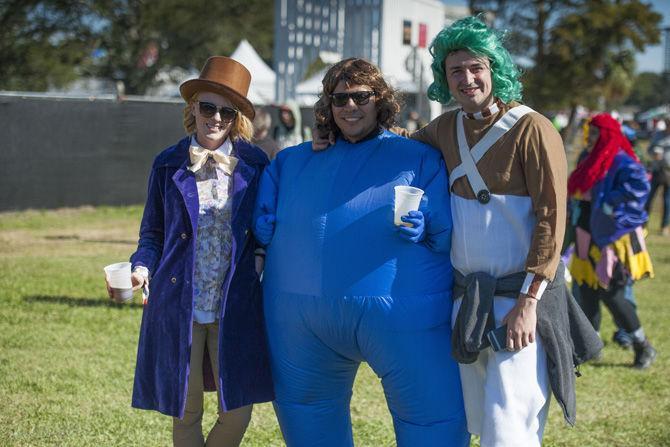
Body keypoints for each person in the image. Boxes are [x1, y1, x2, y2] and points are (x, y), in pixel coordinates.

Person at [386, 16, 602, 446]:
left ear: (494, 68)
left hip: (520, 303)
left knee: (510, 426)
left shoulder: (533, 128)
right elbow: (400, 142)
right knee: (478, 420)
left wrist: (528, 304)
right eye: (456, 71)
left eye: (476, 67)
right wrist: (340, 129)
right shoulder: (446, 128)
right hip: (466, 301)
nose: (467, 79)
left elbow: (552, 219)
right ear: (444, 79)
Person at [254, 57, 469, 447]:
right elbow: (261, 222)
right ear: (327, 106)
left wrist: (426, 223)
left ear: (380, 100)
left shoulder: (416, 156)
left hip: (399, 314)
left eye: (361, 97)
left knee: (431, 419)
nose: (349, 107)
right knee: (308, 414)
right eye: (339, 99)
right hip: (301, 322)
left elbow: (444, 230)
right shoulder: (291, 161)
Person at [106, 56, 274, 446]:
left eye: (226, 111)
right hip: (179, 302)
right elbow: (152, 233)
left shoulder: (255, 163)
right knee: (186, 411)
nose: (215, 118)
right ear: (193, 107)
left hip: (234, 305)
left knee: (238, 411)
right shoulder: (167, 163)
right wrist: (141, 269)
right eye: (208, 107)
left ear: (237, 119)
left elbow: (268, 226)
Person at [568, 112, 656, 369]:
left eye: (596, 133)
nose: (590, 137)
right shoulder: (590, 157)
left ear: (607, 134)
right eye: (589, 132)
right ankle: (589, 347)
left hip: (610, 238)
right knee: (586, 291)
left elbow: (639, 188)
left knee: (613, 295)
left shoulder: (621, 160)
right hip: (586, 233)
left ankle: (643, 346)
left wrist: (603, 202)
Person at [645, 116, 670, 235]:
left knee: (667, 201)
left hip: (669, 172)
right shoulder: (658, 135)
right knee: (649, 199)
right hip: (656, 171)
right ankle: (643, 223)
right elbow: (649, 149)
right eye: (668, 123)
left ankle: (664, 226)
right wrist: (654, 153)